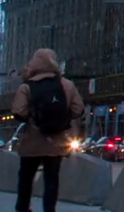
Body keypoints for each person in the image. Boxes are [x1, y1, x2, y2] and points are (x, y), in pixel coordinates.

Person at [9, 48, 84, 212]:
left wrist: (34, 118)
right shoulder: (67, 85)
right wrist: (62, 119)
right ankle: (49, 209)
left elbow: (18, 111)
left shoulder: (26, 87)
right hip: (56, 142)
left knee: (26, 177)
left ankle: (22, 207)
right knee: (52, 179)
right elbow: (78, 109)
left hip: (32, 141)